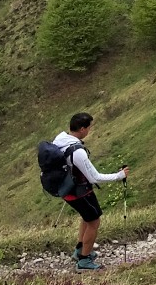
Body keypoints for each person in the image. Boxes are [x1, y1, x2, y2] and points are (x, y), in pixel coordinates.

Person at [53, 112, 129, 270]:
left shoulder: (60, 139)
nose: (89, 130)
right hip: (80, 192)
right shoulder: (77, 152)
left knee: (86, 217)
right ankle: (84, 260)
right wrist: (119, 175)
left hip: (65, 189)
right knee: (94, 221)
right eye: (89, 127)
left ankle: (80, 250)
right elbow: (95, 177)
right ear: (82, 129)